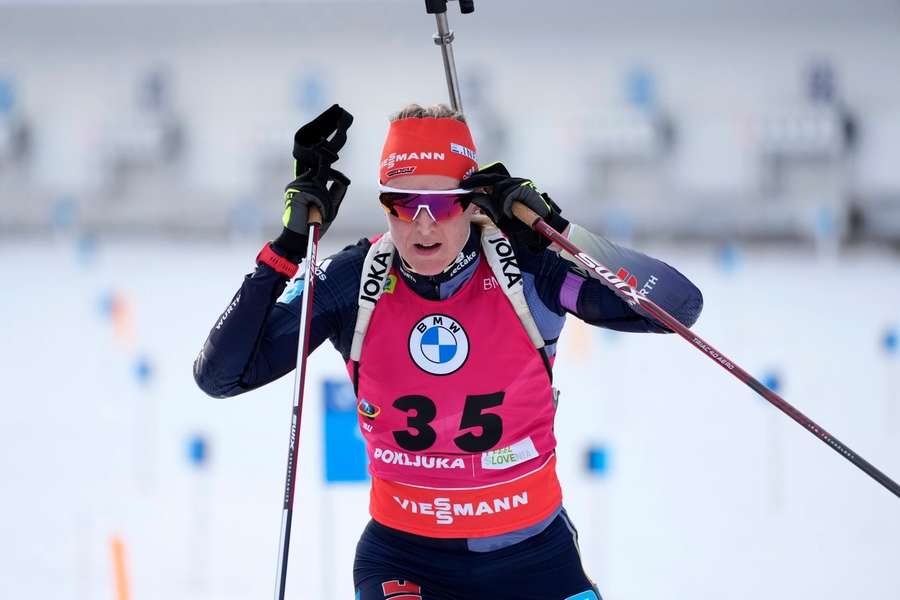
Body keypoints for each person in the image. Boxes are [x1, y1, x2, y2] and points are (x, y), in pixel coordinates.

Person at [194, 103, 703, 600]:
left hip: (534, 560)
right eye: (401, 202)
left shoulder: (524, 269)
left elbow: (677, 306)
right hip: (406, 561)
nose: (422, 225)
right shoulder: (353, 281)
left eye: (440, 204)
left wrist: (560, 234)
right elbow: (221, 375)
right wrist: (286, 246)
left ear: (472, 201)